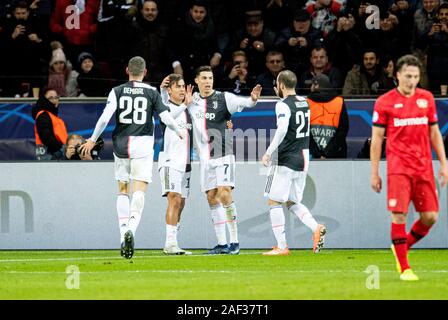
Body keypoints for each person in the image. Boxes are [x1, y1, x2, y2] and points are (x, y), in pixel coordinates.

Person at [79, 56, 183, 259]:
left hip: (121, 145)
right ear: (145, 73)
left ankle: (122, 234)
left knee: (123, 189)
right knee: (140, 189)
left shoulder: (116, 91)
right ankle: (132, 230)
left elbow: (105, 117)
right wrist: (177, 129)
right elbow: (165, 116)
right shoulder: (152, 92)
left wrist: (92, 140)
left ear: (127, 70)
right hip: (142, 145)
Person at [370, 54, 448, 281]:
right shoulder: (384, 102)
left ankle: (401, 246)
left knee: (431, 217)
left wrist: (443, 163)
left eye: (415, 76)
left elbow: (434, 133)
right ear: (398, 76)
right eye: (407, 76)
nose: (412, 81)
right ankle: (405, 268)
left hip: (423, 167)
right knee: (399, 215)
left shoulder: (426, 99)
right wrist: (374, 172)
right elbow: (376, 138)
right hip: (398, 168)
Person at [187, 65, 262, 255]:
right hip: (204, 158)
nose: (207, 82)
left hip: (223, 153)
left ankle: (235, 242)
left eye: (210, 78)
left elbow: (245, 103)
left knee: (225, 193)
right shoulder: (192, 101)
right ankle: (221, 243)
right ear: (196, 81)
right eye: (203, 78)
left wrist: (253, 99)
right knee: (211, 197)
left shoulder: (224, 98)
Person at [261, 70, 326, 256]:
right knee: (292, 201)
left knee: (274, 201)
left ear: (281, 85)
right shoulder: (304, 101)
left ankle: (282, 247)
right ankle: (316, 227)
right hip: (303, 157)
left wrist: (268, 152)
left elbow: (282, 130)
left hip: (286, 157)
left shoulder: (282, 104)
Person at [158, 74, 194, 255]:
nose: (181, 89)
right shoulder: (166, 108)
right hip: (169, 161)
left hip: (186, 164)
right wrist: (184, 104)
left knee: (181, 203)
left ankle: (173, 242)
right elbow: (167, 118)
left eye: (183, 86)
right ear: (169, 90)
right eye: (177, 86)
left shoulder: (188, 110)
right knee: (174, 199)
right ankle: (169, 244)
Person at [308, 74, 349, 159]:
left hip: (313, 155)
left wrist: (317, 153)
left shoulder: (306, 102)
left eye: (312, 84)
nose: (310, 87)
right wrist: (328, 152)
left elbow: (304, 131)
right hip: (336, 154)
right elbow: (343, 129)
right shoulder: (339, 101)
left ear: (316, 86)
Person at [32, 87, 67, 160]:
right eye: (51, 98)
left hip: (55, 152)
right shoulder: (43, 115)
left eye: (56, 97)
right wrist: (61, 149)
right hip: (49, 154)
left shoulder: (52, 116)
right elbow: (46, 136)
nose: (54, 100)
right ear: (44, 99)